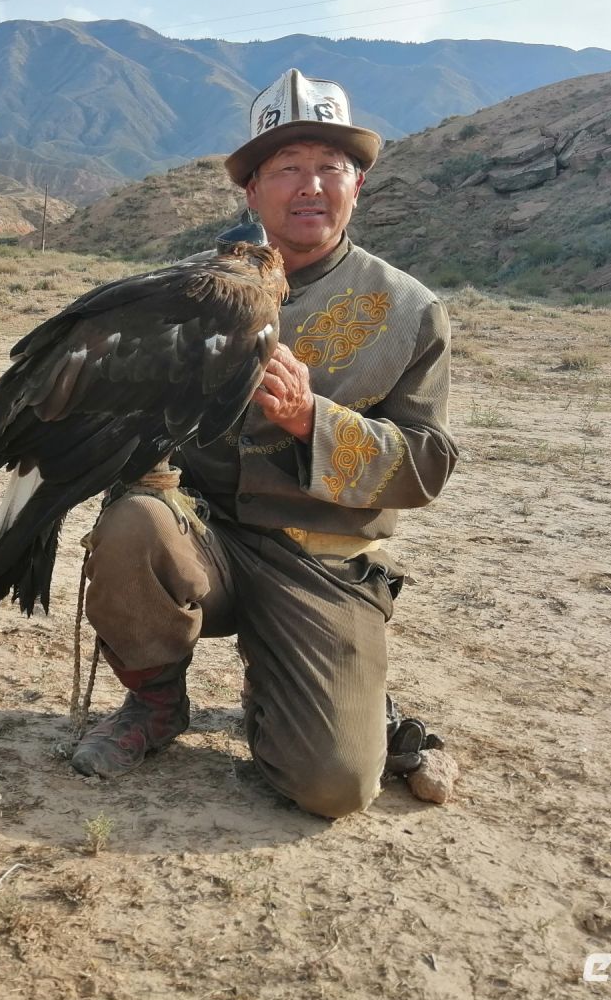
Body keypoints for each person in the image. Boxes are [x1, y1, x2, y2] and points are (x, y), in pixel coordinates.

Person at [69, 69, 457, 818]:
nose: (308, 186)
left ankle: (309, 693)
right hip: (205, 540)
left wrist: (318, 423)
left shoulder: (410, 311)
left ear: (359, 183)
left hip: (324, 560)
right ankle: (154, 704)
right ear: (252, 192)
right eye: (285, 169)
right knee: (133, 522)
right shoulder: (193, 293)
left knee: (333, 786)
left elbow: (428, 466)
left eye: (327, 167)